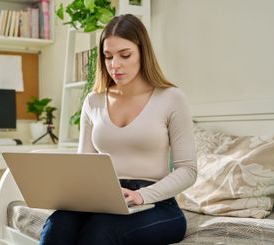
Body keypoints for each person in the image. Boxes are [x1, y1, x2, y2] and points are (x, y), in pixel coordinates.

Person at [40, 14, 197, 245]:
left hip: (157, 203)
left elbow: (188, 170)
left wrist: (141, 195)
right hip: (104, 199)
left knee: (102, 230)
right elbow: (83, 164)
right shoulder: (93, 101)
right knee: (58, 225)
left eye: (125, 55)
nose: (115, 65)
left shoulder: (171, 98)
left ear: (143, 52)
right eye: (108, 57)